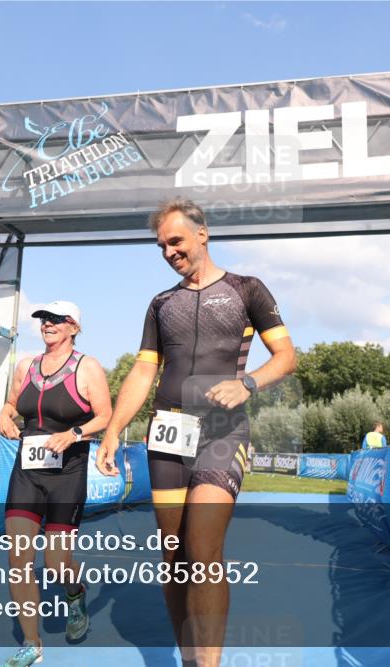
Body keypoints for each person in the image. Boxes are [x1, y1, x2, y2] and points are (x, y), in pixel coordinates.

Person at [96, 199, 296, 667]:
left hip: (223, 432)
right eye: (162, 245)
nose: (169, 251)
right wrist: (113, 431)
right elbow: (144, 373)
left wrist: (248, 382)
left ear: (203, 234)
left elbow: (286, 358)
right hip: (165, 435)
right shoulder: (162, 304)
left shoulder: (248, 290)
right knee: (174, 556)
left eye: (176, 241)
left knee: (203, 547)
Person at [0, 300, 111, 667]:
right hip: (27, 472)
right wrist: (4, 414)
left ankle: (75, 592)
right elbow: (12, 402)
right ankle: (32, 643)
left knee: (57, 562)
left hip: (67, 473)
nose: (48, 324)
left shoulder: (87, 367)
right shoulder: (26, 365)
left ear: (74, 327)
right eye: (44, 319)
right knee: (18, 559)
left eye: (57, 320)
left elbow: (105, 415)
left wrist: (75, 433)